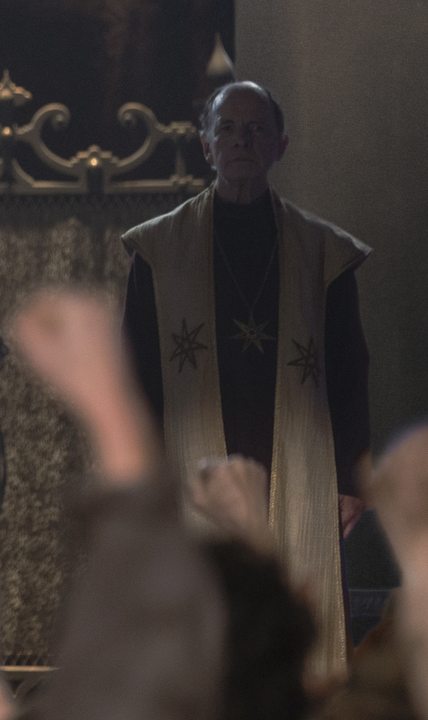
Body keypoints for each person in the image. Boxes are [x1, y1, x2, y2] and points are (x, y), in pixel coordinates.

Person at [123, 81, 371, 670]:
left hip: (300, 459)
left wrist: (352, 478)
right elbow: (136, 371)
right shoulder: (159, 248)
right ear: (206, 146)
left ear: (280, 145)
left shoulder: (322, 250)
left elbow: (349, 367)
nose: (242, 141)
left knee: (295, 617)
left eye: (256, 129)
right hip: (192, 456)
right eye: (228, 129)